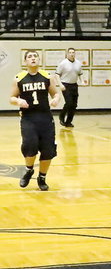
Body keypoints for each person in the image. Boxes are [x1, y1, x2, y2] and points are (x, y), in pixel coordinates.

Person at [10, 49, 61, 191]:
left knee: (48, 149)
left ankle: (42, 177)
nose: (33, 58)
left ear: (39, 60)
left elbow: (56, 94)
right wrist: (18, 102)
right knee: (29, 145)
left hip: (45, 118)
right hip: (28, 118)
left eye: (35, 56)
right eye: (30, 56)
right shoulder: (19, 78)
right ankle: (29, 170)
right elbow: (12, 97)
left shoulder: (47, 76)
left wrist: (56, 100)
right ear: (25, 61)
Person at [55, 48, 84, 127]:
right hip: (65, 85)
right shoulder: (63, 63)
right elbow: (57, 74)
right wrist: (60, 85)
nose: (72, 54)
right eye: (70, 52)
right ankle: (61, 116)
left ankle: (68, 122)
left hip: (74, 85)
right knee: (69, 102)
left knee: (74, 105)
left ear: (75, 54)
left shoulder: (78, 63)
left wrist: (82, 81)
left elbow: (80, 74)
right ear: (67, 54)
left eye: (73, 52)